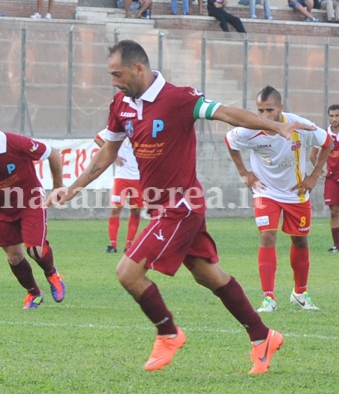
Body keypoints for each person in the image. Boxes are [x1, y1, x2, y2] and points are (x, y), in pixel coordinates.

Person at [46, 40, 314, 374]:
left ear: (139, 69)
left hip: (182, 204)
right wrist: (70, 189)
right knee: (208, 275)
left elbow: (226, 113)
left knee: (127, 273)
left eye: (118, 73)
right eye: (111, 74)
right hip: (161, 208)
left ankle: (168, 332)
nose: (114, 81)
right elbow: (107, 154)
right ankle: (263, 336)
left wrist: (276, 126)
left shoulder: (178, 98)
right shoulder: (121, 104)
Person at [225, 86, 331, 313]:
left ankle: (300, 292)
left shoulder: (299, 126)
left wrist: (314, 175)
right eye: (260, 111)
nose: (263, 117)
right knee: (267, 237)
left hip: (296, 192)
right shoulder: (248, 129)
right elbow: (230, 142)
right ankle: (268, 298)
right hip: (266, 192)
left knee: (300, 241)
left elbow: (327, 141)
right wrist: (244, 172)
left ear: (281, 108)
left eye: (269, 110)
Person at [0, 106, 66, 309]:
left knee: (34, 249)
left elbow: (53, 154)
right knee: (14, 257)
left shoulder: (17, 143)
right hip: (0, 207)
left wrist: (58, 186)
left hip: (30, 201)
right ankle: (34, 293)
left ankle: (52, 273)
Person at [94, 129, 143, 253]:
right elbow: (97, 138)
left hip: (139, 176)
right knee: (116, 209)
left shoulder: (142, 126)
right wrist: (113, 155)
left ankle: (129, 245)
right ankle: (112, 245)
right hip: (122, 176)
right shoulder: (119, 126)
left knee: (136, 211)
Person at [310, 104, 339, 252]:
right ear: (328, 116)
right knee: (334, 211)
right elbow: (312, 155)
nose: (334, 119)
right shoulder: (324, 134)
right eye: (332, 116)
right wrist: (321, 172)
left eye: (337, 116)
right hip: (332, 179)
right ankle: (337, 245)